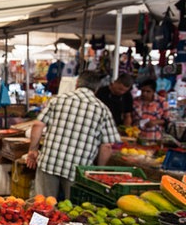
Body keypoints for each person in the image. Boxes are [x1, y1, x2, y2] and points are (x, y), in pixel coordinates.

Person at [26, 70, 121, 199]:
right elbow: (107, 146)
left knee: (42, 206)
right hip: (78, 170)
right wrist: (99, 171)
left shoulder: (58, 100)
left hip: (49, 162)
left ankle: (40, 220)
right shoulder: (102, 110)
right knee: (71, 210)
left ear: (77, 83)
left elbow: (38, 125)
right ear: (96, 88)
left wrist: (33, 150)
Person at [133, 79, 169, 143]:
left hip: (155, 138)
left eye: (148, 91)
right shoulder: (135, 101)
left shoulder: (162, 102)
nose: (144, 93)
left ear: (153, 91)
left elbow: (167, 120)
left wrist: (155, 122)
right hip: (137, 138)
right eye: (143, 91)